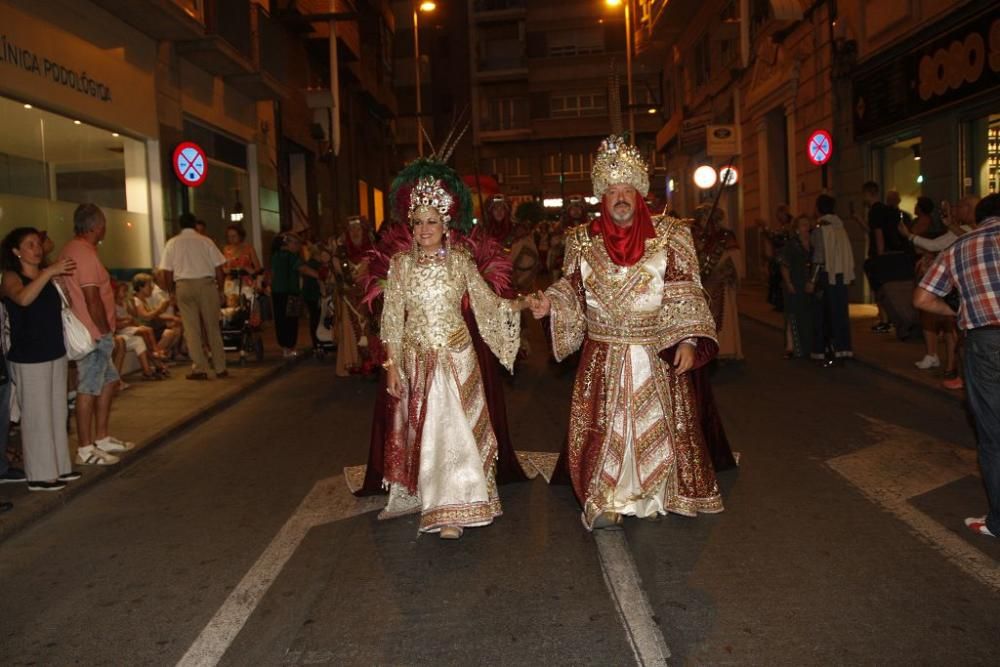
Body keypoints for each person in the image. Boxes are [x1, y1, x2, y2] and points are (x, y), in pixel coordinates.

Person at [529, 135, 722, 530]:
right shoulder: (581, 241)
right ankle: (606, 497)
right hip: (603, 354)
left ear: (639, 194)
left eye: (627, 190)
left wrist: (686, 339)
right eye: (612, 190)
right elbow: (571, 288)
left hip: (655, 351)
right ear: (602, 196)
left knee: (659, 425)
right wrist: (551, 302)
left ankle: (659, 491)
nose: (620, 197)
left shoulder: (671, 235)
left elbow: (684, 287)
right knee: (607, 428)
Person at [379, 173, 525, 540]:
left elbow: (487, 303)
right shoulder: (400, 265)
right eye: (418, 222)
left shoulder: (460, 261)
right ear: (410, 226)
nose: (425, 229)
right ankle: (434, 500)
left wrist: (522, 305)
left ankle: (456, 507)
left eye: (432, 221)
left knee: (456, 431)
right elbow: (392, 317)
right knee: (429, 432)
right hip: (417, 359)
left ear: (445, 225)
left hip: (457, 356)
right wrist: (392, 365)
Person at [914, 193, 1000, 539]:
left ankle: (998, 523)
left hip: (986, 342)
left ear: (979, 219)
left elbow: (921, 298)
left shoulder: (961, 246)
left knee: (993, 436)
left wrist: (957, 313)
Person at [0, 228, 82, 490]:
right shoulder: (12, 277)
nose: (37, 249)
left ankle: (60, 466)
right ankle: (39, 474)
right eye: (30, 244)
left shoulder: (49, 276)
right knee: (37, 415)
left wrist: (55, 283)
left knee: (57, 412)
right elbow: (23, 299)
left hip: (54, 351)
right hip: (28, 356)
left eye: (38, 244)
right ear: (16, 251)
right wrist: (48, 273)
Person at [59, 204, 134, 464]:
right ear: (95, 226)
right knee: (88, 389)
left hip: (93, 331)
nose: (106, 227)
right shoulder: (84, 253)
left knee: (108, 382)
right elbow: (92, 298)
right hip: (93, 334)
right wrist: (104, 332)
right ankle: (85, 448)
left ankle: (101, 437)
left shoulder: (74, 248)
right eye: (103, 222)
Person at [902, 196, 979, 388]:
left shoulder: (975, 232)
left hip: (968, 290)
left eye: (959, 205)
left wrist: (909, 236)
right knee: (955, 328)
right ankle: (954, 368)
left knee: (956, 326)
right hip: (968, 290)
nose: (955, 208)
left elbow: (940, 245)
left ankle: (957, 369)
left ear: (970, 210)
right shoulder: (969, 231)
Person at [158, 212, 228, 380]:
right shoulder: (206, 241)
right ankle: (220, 367)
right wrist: (220, 290)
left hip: (183, 286)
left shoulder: (172, 243)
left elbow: (166, 271)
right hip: (206, 285)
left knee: (191, 329)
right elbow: (220, 270)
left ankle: (199, 368)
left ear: (179, 225)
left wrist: (171, 292)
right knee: (212, 327)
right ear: (195, 224)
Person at [808, 194, 855, 362]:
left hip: (826, 275)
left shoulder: (821, 228)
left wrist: (812, 280)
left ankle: (825, 350)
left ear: (818, 208)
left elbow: (819, 257)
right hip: (841, 274)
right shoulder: (840, 227)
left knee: (823, 314)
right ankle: (843, 348)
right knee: (840, 312)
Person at [693, 204, 743, 361]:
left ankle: (726, 350)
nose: (703, 220)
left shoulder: (725, 236)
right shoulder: (697, 236)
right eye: (701, 217)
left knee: (724, 316)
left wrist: (729, 273)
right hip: (703, 284)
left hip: (722, 283)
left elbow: (735, 258)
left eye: (706, 216)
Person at [862, 181, 908, 333]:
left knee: (880, 288)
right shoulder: (887, 210)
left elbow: (878, 232)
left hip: (881, 254)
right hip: (895, 252)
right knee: (891, 288)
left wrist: (880, 256)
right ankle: (892, 319)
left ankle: (885, 320)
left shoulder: (874, 211)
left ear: (868, 193)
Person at [332, 216, 374, 375]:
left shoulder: (372, 249)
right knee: (349, 328)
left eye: (358, 229)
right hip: (348, 297)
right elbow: (338, 271)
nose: (355, 232)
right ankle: (352, 363)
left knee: (369, 328)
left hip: (367, 297)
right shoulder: (341, 252)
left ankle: (371, 363)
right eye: (351, 229)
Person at [271, 233, 320, 359]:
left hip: (277, 292)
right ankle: (290, 347)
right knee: (291, 320)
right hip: (291, 293)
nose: (298, 247)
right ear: (289, 244)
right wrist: (320, 275)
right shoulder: (291, 256)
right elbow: (302, 268)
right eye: (296, 243)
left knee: (280, 320)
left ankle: (284, 348)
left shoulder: (275, 255)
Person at [112, 282, 167, 381]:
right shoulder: (112, 304)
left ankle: (147, 371)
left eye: (126, 291)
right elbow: (115, 322)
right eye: (123, 291)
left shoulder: (125, 302)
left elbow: (133, 316)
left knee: (139, 340)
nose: (125, 294)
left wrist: (131, 304)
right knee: (145, 331)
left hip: (128, 328)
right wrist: (127, 321)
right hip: (122, 330)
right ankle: (155, 354)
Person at [779, 215, 815, 359]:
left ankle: (808, 346)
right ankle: (790, 346)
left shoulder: (813, 244)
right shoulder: (791, 245)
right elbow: (784, 265)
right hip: (795, 283)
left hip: (809, 285)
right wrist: (788, 283)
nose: (806, 228)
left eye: (808, 224)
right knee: (792, 314)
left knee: (807, 315)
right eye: (803, 225)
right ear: (797, 229)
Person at [131, 273, 183, 358]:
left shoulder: (144, 300)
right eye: (149, 286)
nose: (151, 288)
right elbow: (147, 316)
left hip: (153, 327)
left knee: (176, 330)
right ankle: (155, 356)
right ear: (141, 287)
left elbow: (155, 315)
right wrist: (160, 308)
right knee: (169, 333)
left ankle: (162, 353)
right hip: (147, 329)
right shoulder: (136, 301)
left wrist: (172, 317)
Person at [763, 204, 793, 312]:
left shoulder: (789, 226)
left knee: (780, 280)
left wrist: (765, 228)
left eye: (780, 216)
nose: (779, 219)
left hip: (785, 258)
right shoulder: (784, 226)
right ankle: (779, 303)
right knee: (776, 281)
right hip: (780, 257)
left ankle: (782, 304)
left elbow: (777, 238)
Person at [222, 224, 261, 295]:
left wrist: (247, 269)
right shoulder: (226, 249)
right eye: (229, 236)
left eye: (234, 236)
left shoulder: (249, 248)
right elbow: (223, 267)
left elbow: (258, 268)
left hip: (246, 281)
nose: (231, 239)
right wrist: (226, 269)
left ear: (240, 236)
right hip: (231, 281)